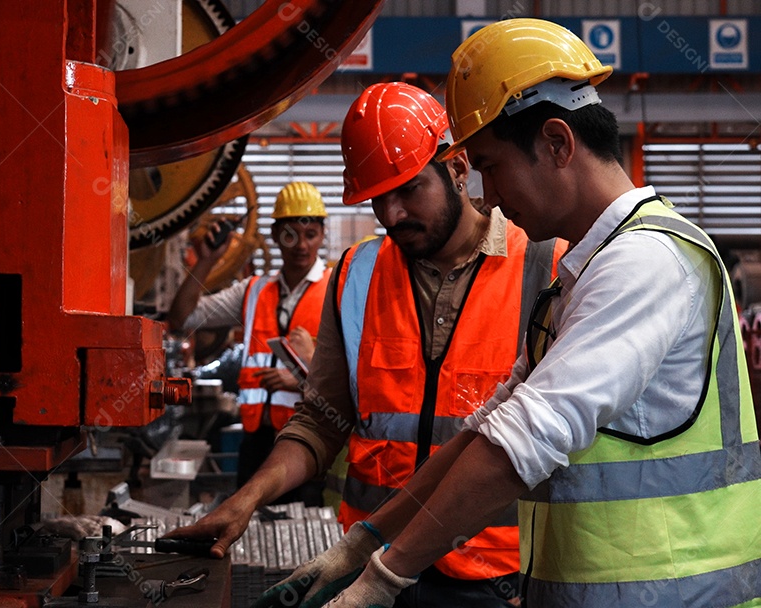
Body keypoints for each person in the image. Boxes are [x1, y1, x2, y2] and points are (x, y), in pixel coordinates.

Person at [307, 19, 761, 608]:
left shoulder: (647, 261)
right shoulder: (581, 276)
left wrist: (383, 579)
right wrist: (365, 540)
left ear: (556, 143)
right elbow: (488, 429)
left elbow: (524, 439)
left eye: (491, 166)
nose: (489, 196)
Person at [169, 82, 565, 607]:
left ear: (456, 167)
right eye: (378, 198)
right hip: (367, 570)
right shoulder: (357, 274)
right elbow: (321, 420)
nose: (392, 214)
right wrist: (246, 500)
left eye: (408, 190)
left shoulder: (546, 266)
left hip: (497, 577)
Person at [168, 182, 330, 506]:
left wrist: (301, 379)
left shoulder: (336, 292)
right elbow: (182, 318)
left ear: (322, 236)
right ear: (275, 235)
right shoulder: (253, 291)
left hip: (309, 444)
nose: (301, 245)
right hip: (256, 445)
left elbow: (355, 378)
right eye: (291, 235)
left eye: (310, 234)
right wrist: (206, 260)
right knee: (250, 523)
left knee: (301, 529)